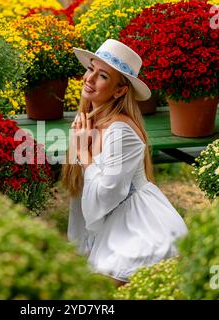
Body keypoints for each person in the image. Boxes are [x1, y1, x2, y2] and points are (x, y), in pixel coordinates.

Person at [61, 39, 188, 286]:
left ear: (120, 90)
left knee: (102, 290)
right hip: (112, 224)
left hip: (142, 229)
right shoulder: (86, 121)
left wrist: (83, 153)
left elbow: (107, 194)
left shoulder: (121, 132)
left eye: (103, 76)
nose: (90, 79)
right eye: (90, 69)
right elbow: (81, 196)